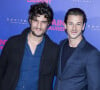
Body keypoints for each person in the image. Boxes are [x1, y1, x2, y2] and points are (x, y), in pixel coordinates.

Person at [0, 2, 59, 90]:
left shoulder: (54, 50)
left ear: (49, 24)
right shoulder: (13, 43)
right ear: (30, 20)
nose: (39, 26)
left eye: (43, 22)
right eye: (36, 21)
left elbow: (64, 76)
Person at [54, 8, 100, 90]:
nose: (74, 28)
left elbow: (95, 87)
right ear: (65, 25)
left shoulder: (92, 53)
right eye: (71, 23)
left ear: (83, 26)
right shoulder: (61, 44)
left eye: (78, 24)